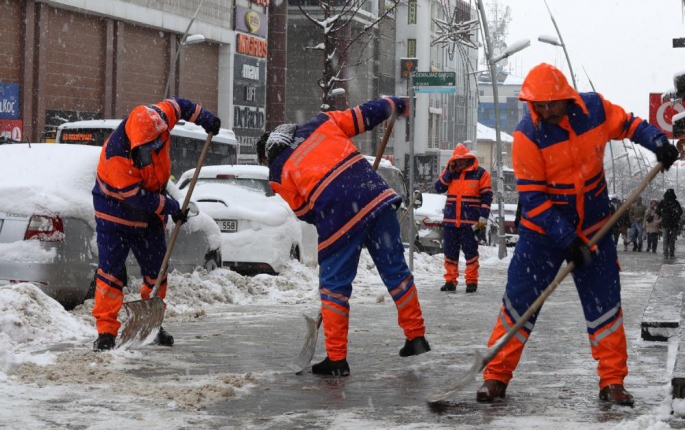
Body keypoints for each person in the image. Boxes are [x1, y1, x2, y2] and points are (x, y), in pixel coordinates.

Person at [476, 63, 679, 406]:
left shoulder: (595, 110)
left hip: (595, 228)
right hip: (541, 236)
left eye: (548, 103)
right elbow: (535, 200)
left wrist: (658, 142)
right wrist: (566, 239)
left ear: (565, 98)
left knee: (606, 307)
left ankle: (612, 381)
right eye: (536, 104)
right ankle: (496, 375)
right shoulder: (528, 135)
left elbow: (629, 125)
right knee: (519, 304)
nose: (541, 110)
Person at [256, 97, 430, 376]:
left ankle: (337, 360)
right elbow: (364, 115)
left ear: (267, 154)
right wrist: (392, 104)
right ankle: (416, 336)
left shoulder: (278, 170)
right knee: (396, 272)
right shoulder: (320, 123)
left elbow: (303, 211)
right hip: (376, 198)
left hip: (338, 218)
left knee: (334, 288)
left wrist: (330, 213)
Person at [91, 97, 221, 351]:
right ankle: (106, 332)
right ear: (137, 145)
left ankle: (152, 323)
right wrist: (172, 207)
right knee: (111, 273)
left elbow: (182, 106)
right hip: (114, 214)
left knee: (157, 270)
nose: (155, 151)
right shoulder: (117, 157)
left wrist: (205, 118)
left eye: (159, 144)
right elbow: (138, 199)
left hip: (149, 215)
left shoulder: (158, 118)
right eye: (149, 149)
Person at [434, 144, 492, 293]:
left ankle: (471, 282)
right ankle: (450, 281)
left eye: (461, 161)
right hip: (451, 222)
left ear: (468, 160)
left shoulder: (481, 174)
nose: (458, 164)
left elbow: (487, 197)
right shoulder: (450, 174)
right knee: (450, 254)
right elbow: (439, 187)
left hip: (470, 223)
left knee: (471, 254)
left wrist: (483, 218)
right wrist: (448, 172)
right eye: (456, 161)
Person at [657, 189, 683, 258]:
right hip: (674, 223)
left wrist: (662, 215)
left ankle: (665, 253)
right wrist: (675, 215)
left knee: (665, 239)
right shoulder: (675, 202)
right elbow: (680, 212)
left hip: (666, 223)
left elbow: (657, 210)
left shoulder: (663, 202)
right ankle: (671, 253)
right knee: (672, 239)